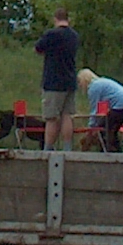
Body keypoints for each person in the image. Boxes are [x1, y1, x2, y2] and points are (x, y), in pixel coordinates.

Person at [33, 8, 81, 149]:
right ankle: (67, 148)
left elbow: (38, 49)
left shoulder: (51, 34)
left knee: (51, 118)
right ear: (68, 19)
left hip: (53, 82)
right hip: (70, 81)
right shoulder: (74, 36)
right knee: (67, 116)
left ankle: (48, 149)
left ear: (55, 19)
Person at [78, 70, 123, 152]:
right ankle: (116, 150)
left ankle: (107, 150)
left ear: (84, 80)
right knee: (112, 128)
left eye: (79, 81)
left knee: (103, 128)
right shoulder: (101, 82)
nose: (79, 85)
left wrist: (91, 128)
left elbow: (94, 110)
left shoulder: (93, 88)